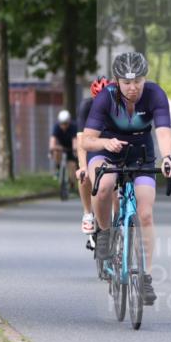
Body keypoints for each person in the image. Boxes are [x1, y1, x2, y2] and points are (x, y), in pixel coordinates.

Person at [81, 52, 171, 305]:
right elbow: (87, 140)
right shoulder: (105, 98)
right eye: (126, 82)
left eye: (138, 81)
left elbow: (164, 131)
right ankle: (104, 233)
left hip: (141, 154)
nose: (133, 88)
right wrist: (105, 142)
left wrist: (168, 158)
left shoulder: (155, 94)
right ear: (117, 81)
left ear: (145, 79)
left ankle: (145, 278)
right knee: (104, 186)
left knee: (145, 214)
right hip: (107, 150)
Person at [75, 77, 110, 237]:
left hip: (110, 145)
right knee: (84, 175)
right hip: (91, 144)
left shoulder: (118, 106)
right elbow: (82, 143)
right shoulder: (86, 107)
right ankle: (88, 214)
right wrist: (83, 167)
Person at [49, 110, 78, 181]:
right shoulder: (56, 127)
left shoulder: (73, 127)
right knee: (56, 152)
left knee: (72, 168)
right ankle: (58, 169)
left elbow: (75, 141)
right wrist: (51, 150)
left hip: (70, 149)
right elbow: (52, 141)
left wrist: (75, 151)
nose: (63, 126)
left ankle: (71, 185)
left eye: (65, 124)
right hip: (61, 148)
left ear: (69, 122)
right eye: (62, 124)